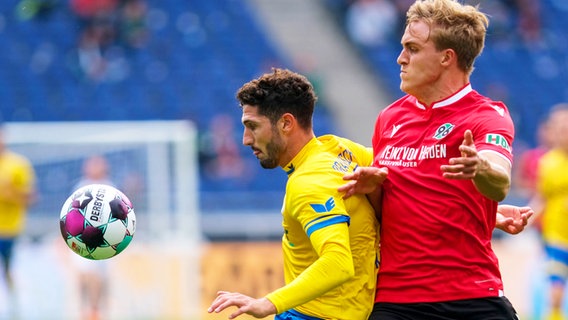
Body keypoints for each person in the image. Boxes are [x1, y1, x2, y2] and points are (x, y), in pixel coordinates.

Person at [207, 68, 532, 320]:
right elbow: (407, 187)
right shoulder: (341, 150)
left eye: (252, 126)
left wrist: (268, 302)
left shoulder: (308, 183)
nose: (246, 140)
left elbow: (337, 263)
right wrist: (488, 215)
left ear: (286, 123)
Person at [339, 0, 520, 319]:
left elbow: (500, 181)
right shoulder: (389, 118)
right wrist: (374, 190)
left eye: (412, 48)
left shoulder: (487, 116)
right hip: (396, 301)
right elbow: (395, 211)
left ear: (446, 58)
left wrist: (480, 168)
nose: (400, 58)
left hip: (471, 296)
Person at [532, 104, 568, 320]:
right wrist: (527, 219)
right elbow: (541, 198)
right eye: (560, 129)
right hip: (556, 237)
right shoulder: (547, 163)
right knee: (555, 291)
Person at [72, 155, 113, 320]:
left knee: (99, 276)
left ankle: (96, 310)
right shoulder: (80, 187)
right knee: (83, 275)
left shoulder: (111, 188)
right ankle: (84, 310)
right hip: (81, 238)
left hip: (104, 240)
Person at [0, 124, 36, 305]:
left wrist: (11, 192)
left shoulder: (18, 164)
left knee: (9, 271)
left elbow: (31, 198)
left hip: (10, 229)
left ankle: (15, 307)